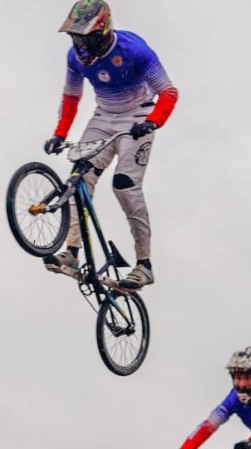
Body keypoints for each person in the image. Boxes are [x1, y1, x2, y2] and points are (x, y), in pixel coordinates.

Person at [42, 0, 178, 290]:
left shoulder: (134, 51)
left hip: (139, 116)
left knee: (124, 185)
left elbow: (168, 92)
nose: (79, 45)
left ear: (102, 33)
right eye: (75, 38)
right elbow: (71, 96)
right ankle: (72, 252)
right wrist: (60, 133)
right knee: (80, 177)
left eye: (84, 38)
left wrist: (153, 121)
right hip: (103, 117)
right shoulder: (75, 58)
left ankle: (144, 265)